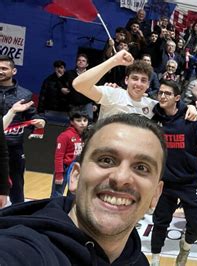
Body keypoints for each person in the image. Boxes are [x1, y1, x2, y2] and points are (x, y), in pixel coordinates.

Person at [0, 113, 166, 265]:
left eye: (142, 168)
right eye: (106, 160)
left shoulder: (137, 261)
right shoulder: (25, 250)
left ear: (155, 195)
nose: (121, 178)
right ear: (75, 177)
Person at [150, 80, 197, 266]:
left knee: (196, 224)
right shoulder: (155, 120)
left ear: (177, 98)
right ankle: (155, 259)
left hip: (189, 182)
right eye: (160, 92)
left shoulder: (191, 119)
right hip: (166, 183)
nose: (162, 96)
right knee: (160, 223)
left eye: (167, 93)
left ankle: (185, 248)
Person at [72, 50, 197, 121]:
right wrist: (114, 61)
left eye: (143, 80)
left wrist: (190, 108)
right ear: (126, 80)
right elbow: (79, 84)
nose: (138, 84)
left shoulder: (152, 105)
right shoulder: (113, 93)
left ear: (148, 84)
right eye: (135, 78)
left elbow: (175, 105)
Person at [0, 55, 45, 204]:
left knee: (17, 186)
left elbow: (32, 118)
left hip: (14, 147)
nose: (0, 71)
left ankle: (17, 216)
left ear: (14, 71)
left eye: (4, 68)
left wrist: (40, 122)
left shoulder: (25, 95)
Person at [50, 108, 89, 198]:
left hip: (77, 169)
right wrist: (59, 174)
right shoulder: (65, 136)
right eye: (78, 120)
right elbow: (58, 157)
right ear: (72, 122)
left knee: (73, 195)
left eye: (85, 120)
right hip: (65, 169)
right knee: (57, 194)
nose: (82, 123)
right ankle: (54, 211)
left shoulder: (87, 136)